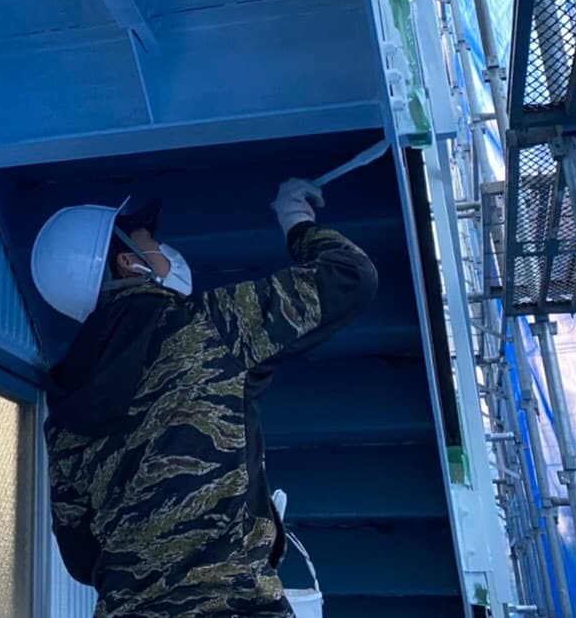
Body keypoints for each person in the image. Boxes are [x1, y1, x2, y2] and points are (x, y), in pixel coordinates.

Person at [31, 178, 378, 617]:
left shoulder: (63, 415)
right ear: (128, 263)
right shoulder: (208, 324)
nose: (163, 249)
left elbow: (82, 558)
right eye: (150, 241)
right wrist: (295, 218)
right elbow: (350, 275)